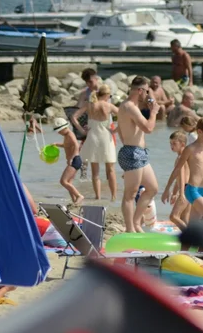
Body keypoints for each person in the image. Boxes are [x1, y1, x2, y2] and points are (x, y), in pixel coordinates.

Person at [117, 76, 159, 233]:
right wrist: (153, 112)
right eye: (146, 91)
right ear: (140, 90)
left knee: (152, 188)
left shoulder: (130, 106)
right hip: (132, 153)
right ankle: (130, 229)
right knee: (130, 194)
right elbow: (148, 128)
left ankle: (135, 222)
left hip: (138, 153)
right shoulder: (129, 107)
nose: (148, 95)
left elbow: (121, 130)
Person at [163, 117, 203, 224]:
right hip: (192, 190)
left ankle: (188, 241)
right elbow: (177, 169)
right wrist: (167, 189)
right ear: (199, 132)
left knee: (194, 227)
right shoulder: (190, 149)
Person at [71, 84, 119, 202]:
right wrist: (115, 130)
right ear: (107, 95)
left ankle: (98, 197)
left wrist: (82, 130)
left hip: (92, 137)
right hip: (106, 138)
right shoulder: (109, 106)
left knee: (95, 171)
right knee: (111, 169)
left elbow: (73, 117)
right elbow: (124, 117)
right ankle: (113, 197)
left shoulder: (90, 104)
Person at [51, 117, 84, 205]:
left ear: (65, 128)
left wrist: (72, 158)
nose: (59, 133)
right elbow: (66, 145)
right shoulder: (66, 136)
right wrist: (56, 144)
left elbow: (76, 146)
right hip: (74, 160)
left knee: (63, 181)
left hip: (75, 160)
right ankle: (74, 201)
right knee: (69, 182)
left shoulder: (70, 134)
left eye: (60, 130)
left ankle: (79, 196)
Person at [163, 131, 191, 227]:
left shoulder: (181, 158)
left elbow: (182, 176)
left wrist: (181, 193)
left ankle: (190, 237)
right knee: (184, 219)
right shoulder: (185, 156)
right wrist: (175, 192)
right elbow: (178, 177)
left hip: (185, 190)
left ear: (182, 144)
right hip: (189, 189)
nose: (172, 146)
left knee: (174, 217)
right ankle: (189, 241)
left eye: (174, 143)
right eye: (170, 143)